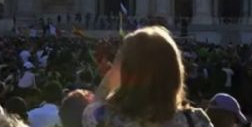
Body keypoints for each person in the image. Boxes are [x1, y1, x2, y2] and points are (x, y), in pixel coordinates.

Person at [82, 26, 213, 127]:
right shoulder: (196, 121)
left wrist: (114, 75)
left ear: (125, 70)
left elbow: (98, 100)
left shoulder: (102, 117)